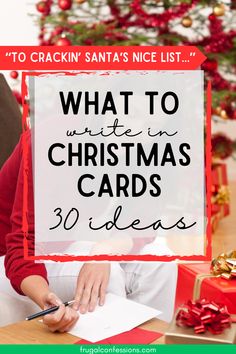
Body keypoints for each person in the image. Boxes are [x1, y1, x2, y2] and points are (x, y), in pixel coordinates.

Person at [0, 132, 177, 331]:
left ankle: (152, 343)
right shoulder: (50, 139)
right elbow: (21, 247)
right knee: (110, 277)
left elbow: (141, 219)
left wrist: (104, 251)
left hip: (56, 249)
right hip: (8, 259)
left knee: (161, 262)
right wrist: (46, 300)